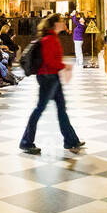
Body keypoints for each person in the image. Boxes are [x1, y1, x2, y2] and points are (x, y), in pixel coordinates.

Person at [19, 14, 84, 155]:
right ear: (55, 24)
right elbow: (50, 61)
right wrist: (65, 66)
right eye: (61, 21)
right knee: (40, 109)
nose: (63, 22)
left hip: (52, 76)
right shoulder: (49, 39)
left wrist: (62, 66)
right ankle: (26, 142)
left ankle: (71, 140)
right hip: (48, 78)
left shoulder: (52, 38)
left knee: (61, 109)